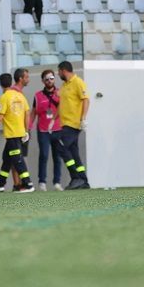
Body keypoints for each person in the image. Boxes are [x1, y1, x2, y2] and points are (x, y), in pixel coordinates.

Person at [0, 71, 34, 193]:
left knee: (17, 159)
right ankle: (0, 183)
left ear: (1, 84)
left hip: (12, 134)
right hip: (21, 132)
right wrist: (26, 130)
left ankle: (28, 184)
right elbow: (27, 113)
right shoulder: (20, 95)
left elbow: (0, 117)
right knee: (7, 158)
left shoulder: (4, 97)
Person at [28, 70, 64, 191]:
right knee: (43, 155)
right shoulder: (38, 96)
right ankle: (42, 182)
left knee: (57, 156)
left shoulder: (60, 93)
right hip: (43, 130)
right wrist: (29, 127)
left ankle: (57, 182)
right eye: (47, 79)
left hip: (57, 129)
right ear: (43, 81)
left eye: (51, 78)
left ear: (54, 79)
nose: (49, 81)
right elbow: (33, 112)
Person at [57, 61, 90, 190]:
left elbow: (86, 100)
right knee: (73, 151)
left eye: (59, 71)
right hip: (65, 123)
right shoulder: (64, 85)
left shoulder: (78, 82)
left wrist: (83, 119)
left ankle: (75, 177)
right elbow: (62, 104)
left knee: (61, 147)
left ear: (64, 70)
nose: (58, 74)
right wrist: (54, 120)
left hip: (73, 123)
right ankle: (83, 180)